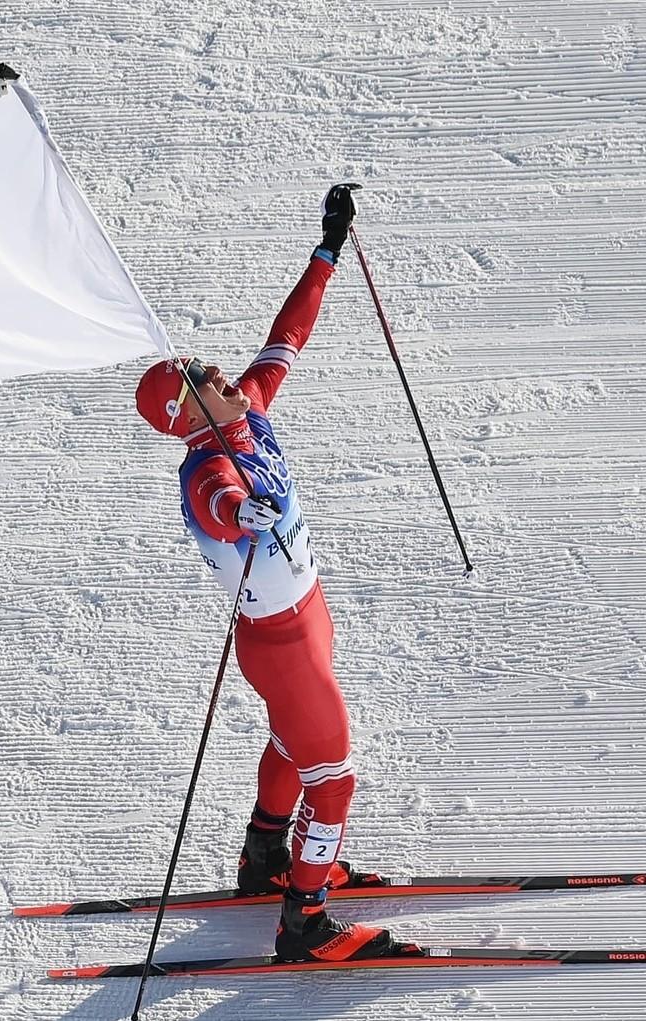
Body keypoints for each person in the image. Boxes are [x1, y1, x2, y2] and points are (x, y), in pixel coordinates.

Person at [134, 185, 412, 963]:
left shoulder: (248, 406)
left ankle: (264, 857)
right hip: (277, 640)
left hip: (307, 614)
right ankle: (306, 919)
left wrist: (327, 251)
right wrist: (238, 514)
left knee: (295, 745)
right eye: (198, 374)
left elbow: (288, 334)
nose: (216, 367)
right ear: (185, 418)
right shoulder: (204, 464)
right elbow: (217, 501)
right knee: (335, 780)